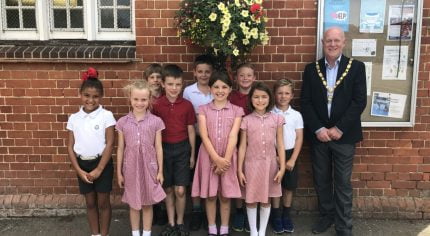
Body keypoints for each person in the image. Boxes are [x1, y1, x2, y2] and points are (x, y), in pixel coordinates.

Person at [300, 27, 367, 236]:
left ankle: (344, 226)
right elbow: (306, 102)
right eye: (329, 40)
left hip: (344, 136)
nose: (332, 44)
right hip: (319, 136)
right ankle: (326, 216)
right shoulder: (312, 69)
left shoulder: (356, 68)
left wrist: (339, 128)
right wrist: (319, 128)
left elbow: (359, 102)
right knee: (321, 180)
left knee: (343, 182)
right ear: (322, 42)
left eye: (336, 40)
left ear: (344, 42)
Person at [192, 71, 243, 236]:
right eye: (216, 87)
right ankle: (212, 227)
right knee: (211, 194)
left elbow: (234, 135)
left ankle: (224, 228)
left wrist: (225, 160)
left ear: (230, 89)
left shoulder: (237, 110)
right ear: (210, 88)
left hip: (228, 156)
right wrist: (215, 158)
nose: (220, 90)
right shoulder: (203, 109)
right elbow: (204, 135)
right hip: (208, 156)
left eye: (224, 87)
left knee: (226, 195)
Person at [66, 67, 116, 236]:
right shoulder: (74, 118)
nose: (91, 100)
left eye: (95, 96)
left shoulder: (106, 115)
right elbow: (70, 147)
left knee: (103, 202)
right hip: (82, 164)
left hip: (102, 163)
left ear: (100, 97)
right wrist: (79, 171)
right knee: (90, 203)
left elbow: (110, 144)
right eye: (87, 95)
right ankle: (94, 234)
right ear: (80, 94)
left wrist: (99, 169)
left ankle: (104, 234)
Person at [116, 80, 166, 236]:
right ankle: (135, 233)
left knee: (147, 202)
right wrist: (119, 172)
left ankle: (147, 232)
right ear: (130, 99)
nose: (139, 103)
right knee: (134, 203)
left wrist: (160, 171)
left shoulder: (156, 121)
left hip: (149, 167)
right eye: (136, 99)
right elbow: (120, 148)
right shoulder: (123, 122)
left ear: (149, 99)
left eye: (143, 99)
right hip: (130, 168)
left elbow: (158, 147)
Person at [238, 82, 286, 236]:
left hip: (270, 165)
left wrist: (282, 167)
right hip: (251, 165)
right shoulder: (246, 120)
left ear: (269, 99)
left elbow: (280, 143)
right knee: (251, 199)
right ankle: (253, 231)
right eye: (256, 97)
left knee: (266, 199)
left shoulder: (277, 119)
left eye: (264, 97)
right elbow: (242, 146)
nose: (260, 100)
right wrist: (239, 170)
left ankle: (262, 231)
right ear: (251, 99)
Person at [153, 64, 196, 236]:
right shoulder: (157, 105)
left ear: (182, 85)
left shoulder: (186, 105)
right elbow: (154, 131)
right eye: (170, 84)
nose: (174, 88)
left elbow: (191, 130)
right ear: (163, 84)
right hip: (163, 149)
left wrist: (192, 154)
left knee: (180, 189)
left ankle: (180, 222)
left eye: (178, 84)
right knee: (168, 189)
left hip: (182, 148)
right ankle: (170, 223)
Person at [183, 54, 214, 231]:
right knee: (195, 174)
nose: (203, 75)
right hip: (195, 138)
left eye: (207, 72)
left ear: (212, 73)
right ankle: (196, 211)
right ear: (194, 73)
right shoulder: (188, 91)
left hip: (213, 139)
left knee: (210, 174)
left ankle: (211, 209)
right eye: (200, 71)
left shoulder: (215, 89)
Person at [270, 79, 304, 234]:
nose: (283, 96)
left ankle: (286, 215)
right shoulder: (269, 114)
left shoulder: (296, 115)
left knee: (288, 187)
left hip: (290, 155)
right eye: (280, 93)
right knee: (275, 185)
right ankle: (275, 216)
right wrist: (275, 157)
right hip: (274, 154)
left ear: (292, 95)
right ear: (274, 95)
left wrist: (292, 159)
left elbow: (299, 138)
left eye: (286, 93)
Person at [229, 62, 256, 233]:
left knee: (252, 178)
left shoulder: (258, 95)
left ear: (254, 78)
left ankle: (251, 211)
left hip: (254, 143)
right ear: (236, 78)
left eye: (249, 75)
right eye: (241, 75)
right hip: (235, 141)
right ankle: (239, 211)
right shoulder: (231, 96)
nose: (245, 78)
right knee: (238, 177)